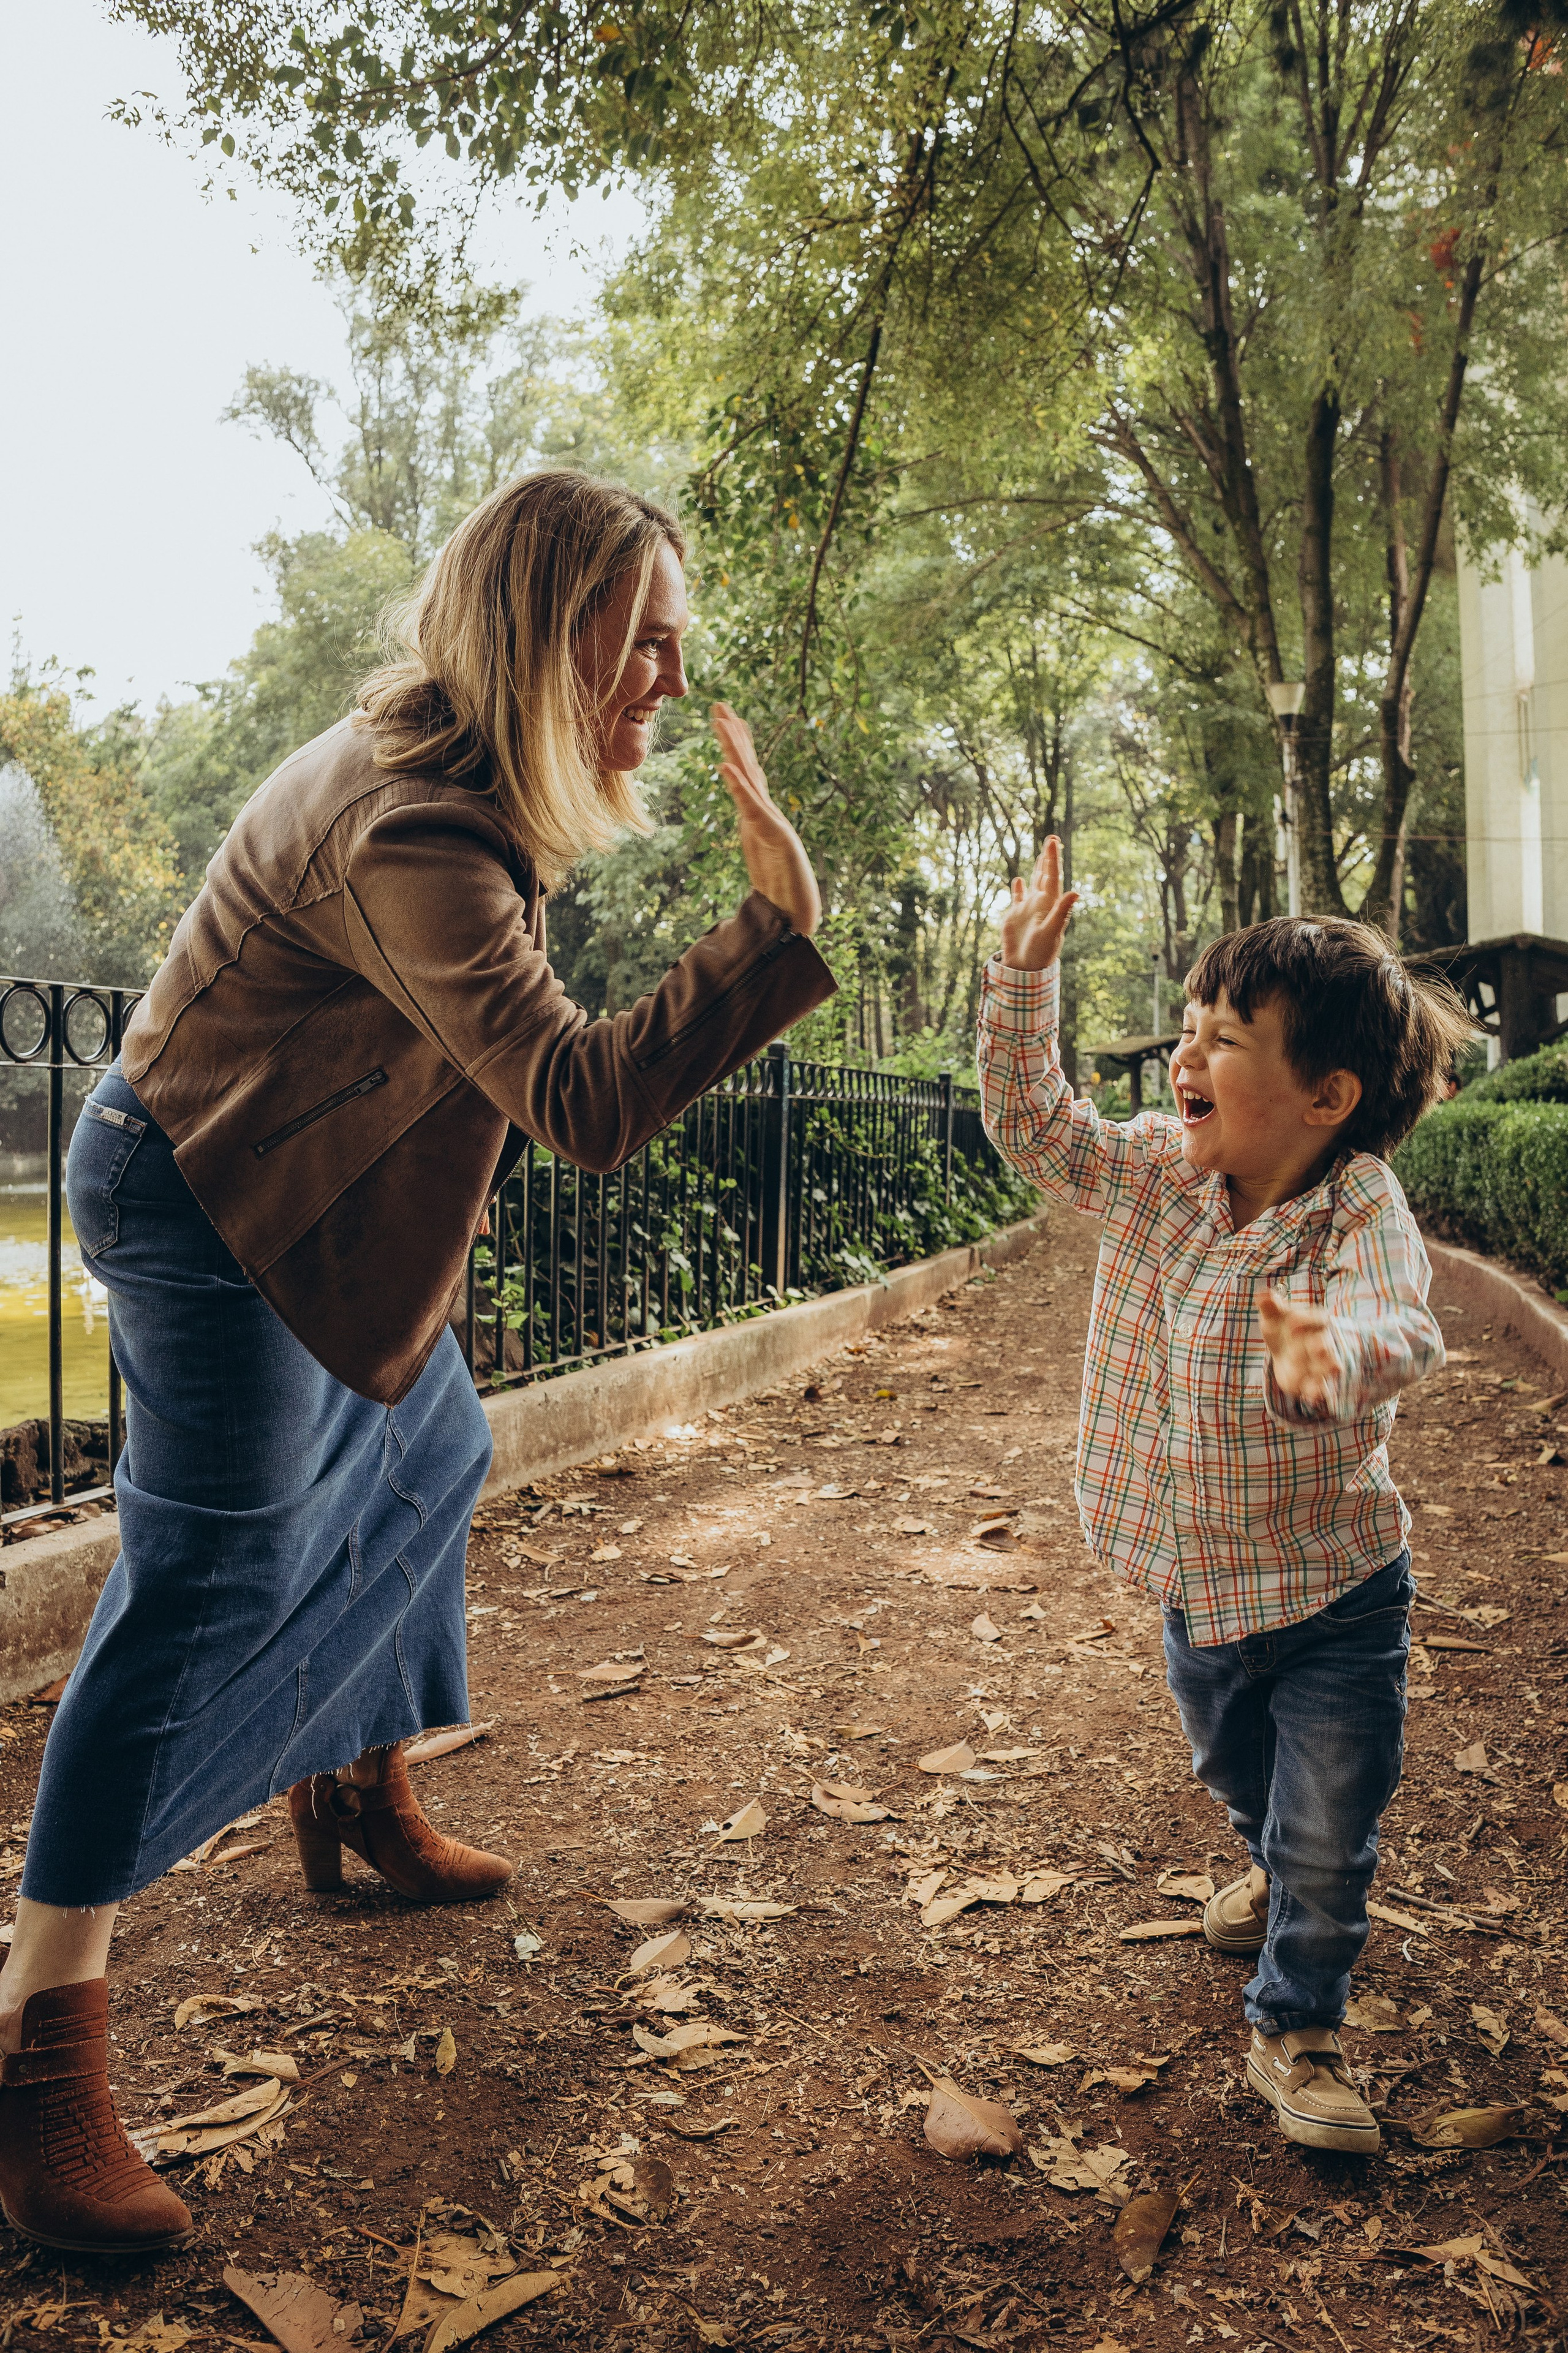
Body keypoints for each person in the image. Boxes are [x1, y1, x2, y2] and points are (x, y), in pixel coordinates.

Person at [0, 470, 834, 2254]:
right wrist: (771, 927)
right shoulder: (414, 830)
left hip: (312, 1176)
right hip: (207, 1193)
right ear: (545, 633)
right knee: (204, 1584)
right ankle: (37, 2042)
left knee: (431, 1446)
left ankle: (354, 1777)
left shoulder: (460, 782)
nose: (669, 679)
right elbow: (582, 1099)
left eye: (676, 642)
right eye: (642, 640)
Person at [978, 842, 1474, 2154]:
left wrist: (1333, 1354)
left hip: (1335, 1595)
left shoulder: (1356, 1208)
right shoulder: (1159, 1173)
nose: (1184, 1056)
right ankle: (1272, 1865)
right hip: (1196, 1590)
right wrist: (1023, 980)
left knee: (1329, 1828)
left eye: (1223, 1038)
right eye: (1189, 1027)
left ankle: (1298, 2021)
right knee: (1239, 1775)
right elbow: (1038, 1129)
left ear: (1325, 1096)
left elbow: (1401, 1324)